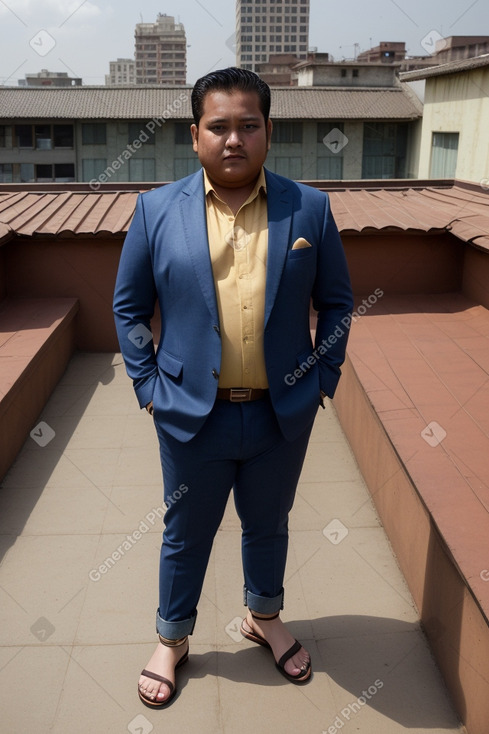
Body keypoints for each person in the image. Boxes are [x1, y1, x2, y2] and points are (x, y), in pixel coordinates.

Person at [113, 67, 353, 708]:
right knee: (185, 530)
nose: (234, 139)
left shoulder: (311, 208)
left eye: (249, 125)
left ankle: (264, 619)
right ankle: (172, 637)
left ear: (269, 131)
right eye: (218, 126)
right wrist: (147, 385)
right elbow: (129, 309)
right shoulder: (157, 210)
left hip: (282, 412)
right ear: (195, 136)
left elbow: (337, 304)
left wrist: (322, 379)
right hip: (191, 413)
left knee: (269, 524)